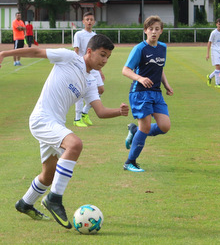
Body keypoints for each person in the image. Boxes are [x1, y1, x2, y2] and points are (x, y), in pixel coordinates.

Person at [0, 34, 129, 229]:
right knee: (75, 144)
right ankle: (54, 198)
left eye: (108, 57)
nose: (104, 60)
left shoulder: (90, 81)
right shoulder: (69, 58)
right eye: (102, 54)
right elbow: (36, 51)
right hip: (42, 119)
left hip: (56, 124)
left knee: (48, 175)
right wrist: (5, 53)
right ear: (89, 51)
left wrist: (119, 112)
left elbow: (100, 112)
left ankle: (25, 203)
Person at [122, 15, 173, 172]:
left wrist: (166, 84)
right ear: (145, 31)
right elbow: (125, 70)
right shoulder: (140, 49)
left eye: (157, 29)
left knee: (165, 126)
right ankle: (130, 162)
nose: (154, 32)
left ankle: (134, 131)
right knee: (145, 128)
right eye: (151, 29)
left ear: (161, 31)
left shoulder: (162, 47)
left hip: (156, 93)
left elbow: (160, 67)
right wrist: (140, 78)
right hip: (140, 93)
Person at [72, 12, 105, 127]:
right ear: (83, 21)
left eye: (91, 19)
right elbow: (76, 51)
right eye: (87, 19)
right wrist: (77, 66)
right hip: (82, 66)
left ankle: (85, 112)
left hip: (94, 68)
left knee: (100, 89)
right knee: (80, 92)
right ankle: (77, 119)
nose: (89, 21)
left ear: (94, 21)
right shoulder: (79, 34)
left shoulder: (95, 36)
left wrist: (100, 70)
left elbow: (97, 54)